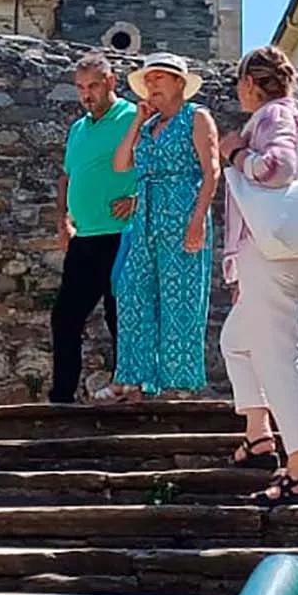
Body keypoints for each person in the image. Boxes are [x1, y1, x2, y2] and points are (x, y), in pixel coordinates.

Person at [217, 46, 298, 507]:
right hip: (282, 254)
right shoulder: (290, 115)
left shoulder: (272, 118)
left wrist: (238, 153)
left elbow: (276, 168)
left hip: (272, 255)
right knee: (236, 341)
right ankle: (260, 435)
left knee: (281, 356)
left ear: (251, 84)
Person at [100, 53, 220, 402]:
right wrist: (137, 122)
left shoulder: (196, 117)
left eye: (159, 78)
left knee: (180, 298)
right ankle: (134, 380)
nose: (151, 85)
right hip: (145, 218)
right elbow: (121, 164)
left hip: (182, 214)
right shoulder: (150, 127)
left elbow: (211, 172)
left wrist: (197, 221)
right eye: (148, 80)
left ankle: (177, 385)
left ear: (179, 83)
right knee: (133, 293)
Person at [49, 53, 139, 404]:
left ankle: (130, 392)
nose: (87, 94)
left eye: (94, 86)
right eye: (81, 88)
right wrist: (62, 219)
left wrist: (137, 199)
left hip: (123, 234)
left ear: (111, 82)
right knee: (65, 317)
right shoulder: (78, 129)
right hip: (84, 237)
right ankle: (62, 396)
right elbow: (67, 176)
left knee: (120, 315)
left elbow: (157, 166)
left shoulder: (134, 117)